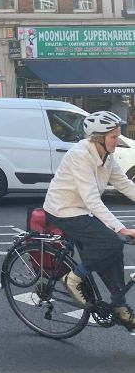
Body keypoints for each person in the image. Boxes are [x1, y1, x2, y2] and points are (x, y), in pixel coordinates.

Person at [43, 111, 135, 330]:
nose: (118, 140)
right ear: (98, 137)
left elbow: (125, 185)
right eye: (113, 136)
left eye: (118, 135)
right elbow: (92, 199)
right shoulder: (80, 155)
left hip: (83, 210)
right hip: (64, 209)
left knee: (113, 251)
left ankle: (119, 307)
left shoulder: (107, 155)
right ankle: (73, 278)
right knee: (112, 242)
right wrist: (121, 229)